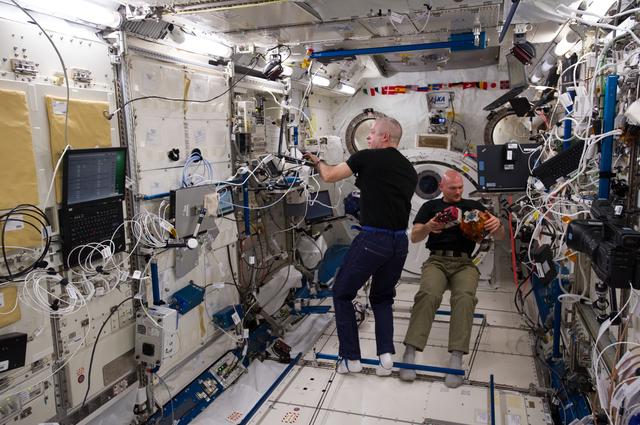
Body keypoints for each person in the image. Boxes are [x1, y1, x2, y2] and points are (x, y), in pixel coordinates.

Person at [304, 117, 417, 376]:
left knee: (342, 293)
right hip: (399, 242)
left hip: (373, 240)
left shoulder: (367, 157)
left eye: (372, 132)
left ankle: (351, 358)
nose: (368, 137)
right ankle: (385, 359)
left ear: (385, 137)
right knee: (382, 298)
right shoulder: (409, 169)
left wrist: (317, 161)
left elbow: (330, 175)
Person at [400, 170, 505, 387]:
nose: (458, 192)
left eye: (460, 188)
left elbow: (500, 235)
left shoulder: (473, 207)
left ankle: (456, 357)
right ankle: (410, 352)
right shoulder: (430, 207)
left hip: (464, 264)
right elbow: (415, 237)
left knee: (464, 298)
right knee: (428, 295)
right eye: (453, 188)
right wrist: (428, 227)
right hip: (437, 261)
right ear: (441, 187)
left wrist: (497, 225)